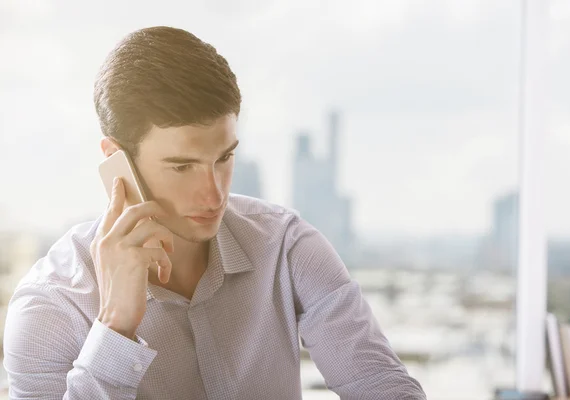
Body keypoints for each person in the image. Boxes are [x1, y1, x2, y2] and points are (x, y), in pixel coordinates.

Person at [3, 26, 427, 399]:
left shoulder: (287, 246)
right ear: (116, 159)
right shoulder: (49, 308)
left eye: (224, 158)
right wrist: (115, 329)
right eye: (182, 166)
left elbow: (383, 385)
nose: (214, 194)